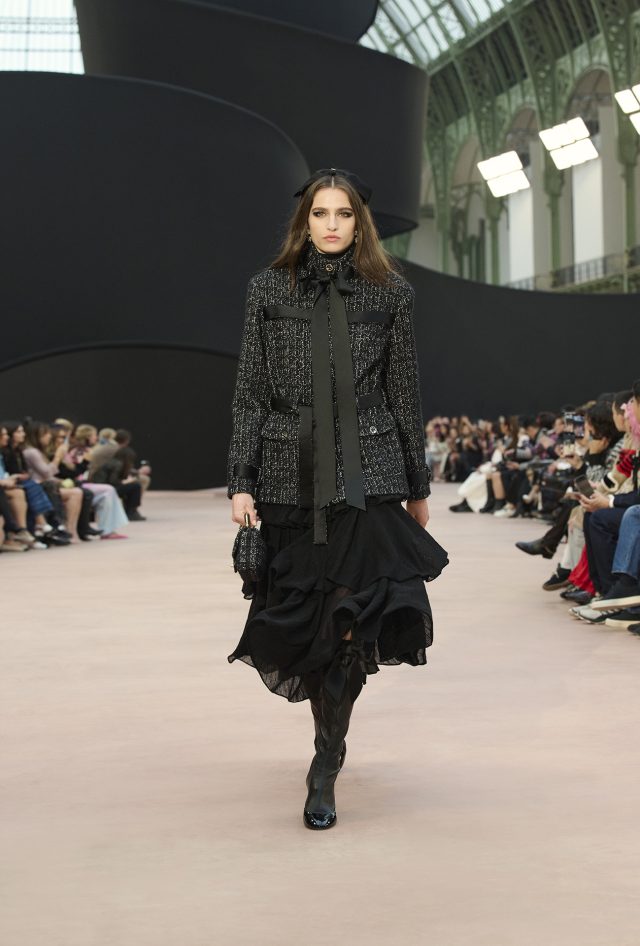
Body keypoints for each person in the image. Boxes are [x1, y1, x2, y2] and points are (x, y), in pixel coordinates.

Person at [226, 167, 448, 831]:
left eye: (343, 214)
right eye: (320, 213)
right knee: (313, 627)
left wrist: (416, 486)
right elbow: (249, 391)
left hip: (368, 474)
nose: (331, 224)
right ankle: (329, 741)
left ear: (359, 222)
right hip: (288, 474)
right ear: (305, 220)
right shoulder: (267, 288)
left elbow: (404, 392)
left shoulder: (392, 292)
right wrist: (241, 478)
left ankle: (326, 761)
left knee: (352, 623)